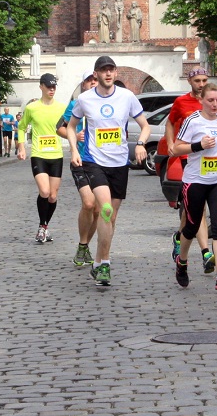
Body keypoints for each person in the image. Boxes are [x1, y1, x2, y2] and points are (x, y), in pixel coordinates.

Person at [67, 57, 151, 286]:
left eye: (111, 70)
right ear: (96, 74)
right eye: (103, 70)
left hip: (119, 163)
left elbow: (145, 125)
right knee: (104, 210)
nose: (108, 74)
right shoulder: (85, 99)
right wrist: (74, 149)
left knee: (111, 217)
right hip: (94, 161)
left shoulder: (127, 97)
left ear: (115, 73)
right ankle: (105, 264)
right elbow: (71, 126)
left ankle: (97, 262)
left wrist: (142, 144)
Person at [166, 67, 217, 273]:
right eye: (198, 80)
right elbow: (171, 124)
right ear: (190, 82)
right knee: (193, 220)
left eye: (205, 79)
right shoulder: (186, 109)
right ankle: (183, 258)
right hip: (193, 169)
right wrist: (175, 145)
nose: (201, 83)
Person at [58, 70, 101, 268]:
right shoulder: (76, 104)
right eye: (88, 81)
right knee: (89, 203)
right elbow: (60, 127)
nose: (92, 83)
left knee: (99, 210)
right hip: (80, 160)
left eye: (94, 80)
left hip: (102, 161)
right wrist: (74, 136)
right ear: (83, 84)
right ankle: (83, 244)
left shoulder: (106, 103)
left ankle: (84, 245)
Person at [18, 73, 67, 244]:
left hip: (56, 155)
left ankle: (45, 227)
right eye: (48, 86)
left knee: (53, 196)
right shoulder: (32, 108)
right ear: (41, 87)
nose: (52, 89)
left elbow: (69, 128)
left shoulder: (62, 107)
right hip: (38, 154)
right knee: (44, 192)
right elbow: (21, 127)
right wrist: (21, 147)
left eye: (54, 86)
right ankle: (42, 226)